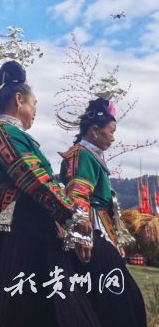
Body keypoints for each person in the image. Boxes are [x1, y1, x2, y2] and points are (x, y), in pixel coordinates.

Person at [0, 60, 100, 327]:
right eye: (34, 103)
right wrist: (72, 214)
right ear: (19, 99)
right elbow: (32, 175)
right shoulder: (3, 132)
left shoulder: (14, 135)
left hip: (28, 224)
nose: (35, 110)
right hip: (15, 229)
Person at [59, 97, 146, 327]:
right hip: (92, 234)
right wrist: (83, 233)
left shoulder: (89, 156)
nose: (113, 137)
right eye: (111, 131)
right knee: (118, 299)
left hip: (100, 231)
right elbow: (78, 192)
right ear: (95, 131)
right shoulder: (81, 155)